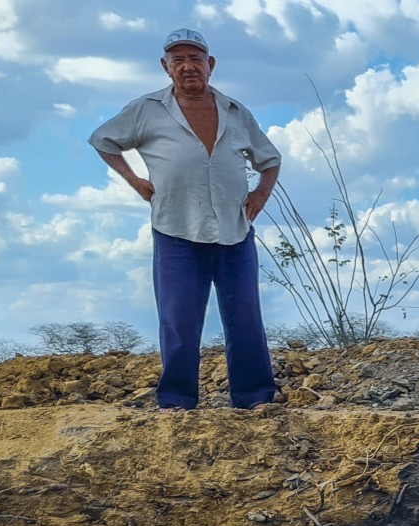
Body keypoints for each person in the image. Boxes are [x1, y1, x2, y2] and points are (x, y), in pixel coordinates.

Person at [88, 28, 283, 412]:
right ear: (166, 67)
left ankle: (255, 398)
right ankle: (176, 402)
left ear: (210, 65)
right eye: (178, 61)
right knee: (178, 321)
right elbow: (103, 140)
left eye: (195, 59)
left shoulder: (235, 111)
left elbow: (270, 158)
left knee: (245, 318)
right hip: (176, 231)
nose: (188, 67)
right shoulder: (146, 109)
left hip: (234, 231)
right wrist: (135, 181)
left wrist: (260, 193)